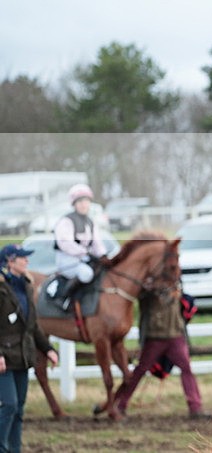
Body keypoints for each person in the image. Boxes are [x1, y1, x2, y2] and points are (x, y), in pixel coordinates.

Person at [113, 283, 210, 419]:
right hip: (155, 338)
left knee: (186, 368)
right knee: (140, 370)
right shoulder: (148, 288)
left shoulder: (175, 283)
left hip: (175, 336)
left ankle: (195, 407)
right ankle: (120, 404)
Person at [0, 244, 59, 453]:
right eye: (22, 258)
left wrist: (48, 349)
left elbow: (32, 325)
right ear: (9, 262)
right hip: (4, 358)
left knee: (19, 409)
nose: (27, 261)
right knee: (9, 405)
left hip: (23, 355)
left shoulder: (26, 286)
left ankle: (14, 449)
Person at [53, 183, 107, 311]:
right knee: (86, 274)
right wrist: (85, 253)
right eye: (80, 201)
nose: (84, 204)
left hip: (83, 259)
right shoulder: (66, 221)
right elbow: (65, 243)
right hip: (67, 260)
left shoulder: (91, 222)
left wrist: (103, 255)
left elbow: (97, 243)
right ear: (74, 204)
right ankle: (64, 299)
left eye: (86, 201)